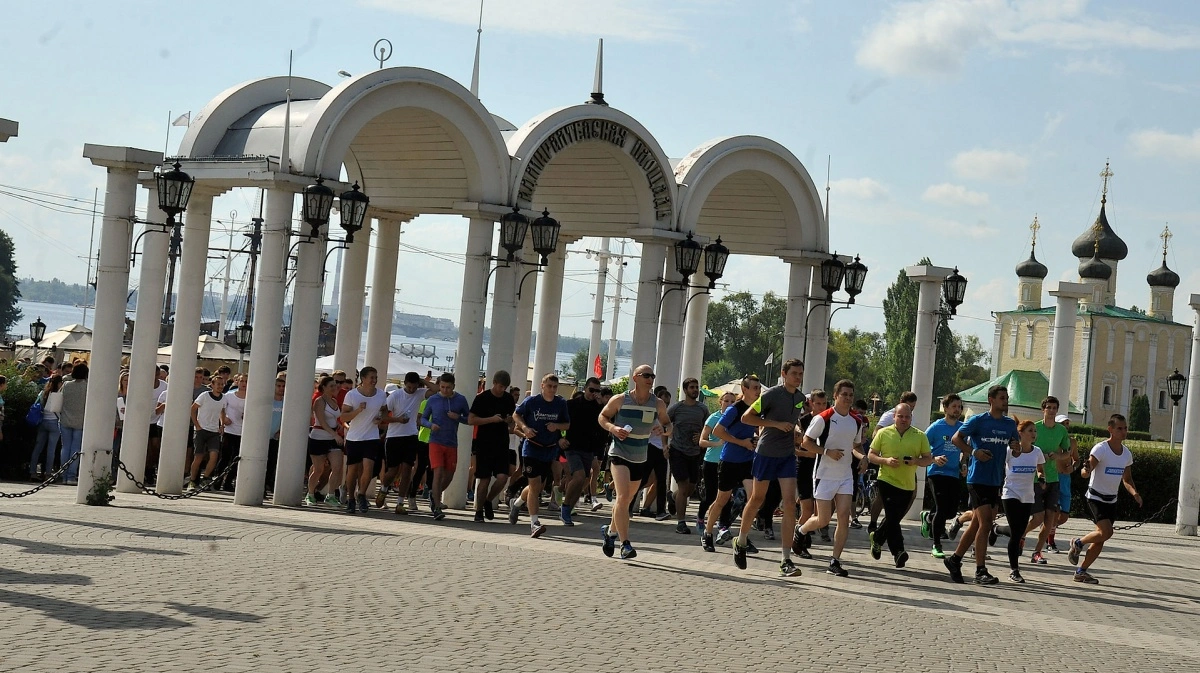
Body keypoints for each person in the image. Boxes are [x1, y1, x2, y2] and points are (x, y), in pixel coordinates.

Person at [736, 358, 807, 577]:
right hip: (766, 453)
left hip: (786, 454)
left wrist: (795, 432)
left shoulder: (800, 398)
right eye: (794, 373)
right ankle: (741, 541)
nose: (798, 377)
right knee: (757, 499)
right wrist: (775, 424)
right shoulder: (771, 395)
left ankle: (786, 559)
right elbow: (747, 418)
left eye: (800, 373)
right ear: (784, 374)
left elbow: (793, 418)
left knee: (788, 503)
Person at [944, 385, 1018, 585]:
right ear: (991, 400)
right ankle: (980, 571)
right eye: (1002, 397)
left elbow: (1017, 450)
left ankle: (955, 559)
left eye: (1006, 397)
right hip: (977, 479)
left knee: (977, 523)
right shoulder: (978, 421)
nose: (1005, 400)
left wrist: (1017, 447)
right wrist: (973, 452)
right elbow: (956, 438)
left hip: (995, 479)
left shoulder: (1010, 425)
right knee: (985, 524)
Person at [598, 364, 670, 559]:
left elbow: (668, 424)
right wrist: (613, 428)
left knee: (627, 499)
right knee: (622, 497)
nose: (650, 379)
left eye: (652, 375)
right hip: (619, 453)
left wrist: (663, 430)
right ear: (635, 378)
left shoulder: (657, 404)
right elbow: (602, 417)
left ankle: (610, 532)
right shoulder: (620, 399)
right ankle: (626, 545)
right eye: (646, 375)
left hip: (640, 455)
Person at [796, 378, 866, 577]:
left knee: (843, 517)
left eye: (851, 395)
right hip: (824, 475)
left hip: (845, 476)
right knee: (823, 519)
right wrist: (827, 451)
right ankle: (800, 531)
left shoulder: (856, 420)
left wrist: (864, 458)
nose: (847, 398)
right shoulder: (824, 418)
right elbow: (806, 442)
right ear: (835, 396)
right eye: (844, 394)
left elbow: (855, 446)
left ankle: (834, 561)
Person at [1069, 414, 1142, 585]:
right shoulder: (1101, 449)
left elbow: (1127, 479)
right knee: (1106, 532)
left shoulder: (1126, 454)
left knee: (1101, 538)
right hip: (1095, 497)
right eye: (1119, 428)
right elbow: (1086, 471)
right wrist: (1086, 471)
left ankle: (1081, 571)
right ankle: (1078, 542)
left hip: (1111, 500)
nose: (1123, 431)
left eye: (1125, 428)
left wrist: (1135, 494)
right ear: (1110, 429)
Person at [866, 403, 932, 568]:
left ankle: (878, 538)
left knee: (893, 518)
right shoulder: (883, 433)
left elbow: (928, 459)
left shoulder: (920, 436)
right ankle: (899, 552)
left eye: (907, 417)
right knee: (893, 517)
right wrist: (885, 461)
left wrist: (916, 461)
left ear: (911, 418)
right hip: (886, 480)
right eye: (900, 416)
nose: (903, 420)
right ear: (894, 416)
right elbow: (871, 455)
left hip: (907, 485)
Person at [702, 377, 761, 553]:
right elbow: (717, 431)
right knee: (722, 499)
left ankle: (743, 537)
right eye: (755, 388)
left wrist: (757, 439)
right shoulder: (734, 410)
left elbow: (759, 428)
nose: (758, 391)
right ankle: (707, 533)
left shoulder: (757, 409)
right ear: (745, 389)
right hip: (729, 460)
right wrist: (741, 442)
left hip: (748, 460)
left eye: (759, 388)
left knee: (753, 499)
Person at [509, 373, 570, 537]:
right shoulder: (532, 401)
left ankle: (517, 503)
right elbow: (516, 414)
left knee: (538, 487)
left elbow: (567, 424)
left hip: (549, 449)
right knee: (535, 485)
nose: (552, 389)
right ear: (542, 386)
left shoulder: (560, 403)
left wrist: (556, 426)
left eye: (555, 387)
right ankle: (534, 523)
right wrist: (525, 428)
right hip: (531, 448)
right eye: (549, 386)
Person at [999, 420, 1046, 583]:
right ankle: (1014, 570)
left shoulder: (1037, 451)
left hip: (1027, 495)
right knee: (1017, 533)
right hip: (1010, 492)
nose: (1034, 434)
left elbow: (1040, 469)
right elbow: (1000, 466)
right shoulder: (1009, 451)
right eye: (1030, 431)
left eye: (1035, 431)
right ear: (1020, 433)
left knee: (1018, 531)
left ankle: (996, 529)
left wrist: (1041, 478)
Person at [1026, 397, 1072, 564]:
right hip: (1035, 479)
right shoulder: (1035, 428)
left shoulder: (1061, 430)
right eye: (1049, 407)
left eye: (1054, 408)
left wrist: (1058, 456)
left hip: (1053, 478)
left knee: (1050, 518)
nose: (1051, 410)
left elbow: (1067, 452)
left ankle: (1037, 552)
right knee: (1037, 518)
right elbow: (1025, 447)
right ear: (1043, 409)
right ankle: (1021, 535)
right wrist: (1039, 456)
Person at [420, 372, 471, 519]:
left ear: (453, 386)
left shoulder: (460, 400)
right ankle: (436, 507)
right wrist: (430, 425)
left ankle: (433, 494)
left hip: (451, 442)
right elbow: (422, 419)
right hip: (435, 441)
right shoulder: (433, 399)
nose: (445, 390)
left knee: (450, 474)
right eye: (442, 387)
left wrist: (458, 418)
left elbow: (469, 419)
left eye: (448, 387)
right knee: (438, 472)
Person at [467, 370, 516, 522]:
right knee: (484, 479)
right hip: (484, 443)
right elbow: (471, 420)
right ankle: (478, 510)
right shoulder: (482, 398)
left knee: (502, 477)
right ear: (494, 383)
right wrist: (491, 419)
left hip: (501, 443)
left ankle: (488, 500)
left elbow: (513, 421)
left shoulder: (508, 399)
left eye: (505, 387)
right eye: (500, 386)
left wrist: (509, 421)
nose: (502, 390)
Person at [665, 377, 710, 534]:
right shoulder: (676, 408)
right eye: (692, 387)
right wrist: (665, 445)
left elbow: (709, 429)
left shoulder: (703, 409)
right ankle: (681, 523)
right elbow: (665, 424)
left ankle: (673, 497)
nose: (695, 390)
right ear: (685, 390)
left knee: (690, 489)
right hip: (677, 451)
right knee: (683, 486)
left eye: (696, 387)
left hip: (695, 452)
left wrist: (701, 437)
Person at [924, 393, 965, 558]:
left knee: (951, 512)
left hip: (954, 473)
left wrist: (964, 464)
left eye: (959, 407)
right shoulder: (936, 427)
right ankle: (936, 545)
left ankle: (929, 517)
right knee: (942, 509)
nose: (957, 410)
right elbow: (922, 447)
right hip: (937, 472)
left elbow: (966, 449)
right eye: (954, 406)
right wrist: (933, 458)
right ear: (945, 408)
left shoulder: (963, 428)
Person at [341, 366, 387, 514]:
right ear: (363, 379)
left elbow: (385, 410)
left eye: (376, 377)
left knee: (368, 466)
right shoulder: (352, 395)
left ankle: (361, 494)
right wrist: (358, 411)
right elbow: (343, 417)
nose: (374, 380)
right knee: (352, 470)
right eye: (371, 377)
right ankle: (350, 499)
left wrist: (381, 418)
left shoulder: (380, 395)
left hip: (371, 437)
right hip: (354, 437)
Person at [561, 376, 606, 525]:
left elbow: (605, 425)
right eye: (591, 390)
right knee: (579, 476)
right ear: (585, 388)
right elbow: (560, 422)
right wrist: (559, 439)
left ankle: (569, 509)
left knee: (583, 481)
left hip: (589, 449)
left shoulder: (599, 407)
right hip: (572, 447)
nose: (593, 393)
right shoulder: (571, 404)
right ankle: (565, 506)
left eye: (597, 391)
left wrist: (601, 405)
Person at [790, 389, 828, 558]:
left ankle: (803, 535)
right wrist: (810, 453)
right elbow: (796, 448)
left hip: (822, 469)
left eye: (824, 404)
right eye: (817, 403)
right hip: (805, 468)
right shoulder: (804, 421)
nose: (821, 407)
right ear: (811, 403)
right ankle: (797, 542)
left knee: (819, 511)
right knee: (807, 509)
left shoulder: (829, 419)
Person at [698, 391, 736, 535]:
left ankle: (723, 526)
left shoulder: (736, 419)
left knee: (726, 496)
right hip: (711, 461)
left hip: (728, 461)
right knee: (711, 495)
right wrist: (717, 443)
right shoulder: (714, 418)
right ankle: (701, 517)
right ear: (720, 402)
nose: (729, 404)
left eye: (733, 402)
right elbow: (701, 441)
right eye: (726, 401)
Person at [305, 375, 345, 506]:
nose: (336, 387)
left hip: (332, 438)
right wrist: (335, 434)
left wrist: (337, 425)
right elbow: (321, 421)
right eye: (332, 386)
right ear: (324, 388)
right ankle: (310, 493)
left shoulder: (334, 401)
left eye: (336, 384)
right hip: (319, 437)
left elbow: (334, 418)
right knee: (318, 469)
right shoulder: (319, 401)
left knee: (337, 467)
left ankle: (331, 495)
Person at [187, 373, 227, 491]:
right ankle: (193, 480)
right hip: (201, 430)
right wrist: (197, 425)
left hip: (214, 430)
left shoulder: (223, 398)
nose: (220, 386)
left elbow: (222, 411)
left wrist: (222, 424)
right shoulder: (204, 395)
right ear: (212, 385)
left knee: (214, 455)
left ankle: (206, 478)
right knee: (198, 456)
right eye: (218, 384)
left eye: (222, 384)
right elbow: (193, 408)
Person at [1047, 414, 1080, 553]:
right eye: (1063, 423)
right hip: (1054, 477)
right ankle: (1050, 542)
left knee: (1064, 517)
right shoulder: (1053, 440)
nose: (1066, 426)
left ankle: (1047, 528)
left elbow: (1077, 460)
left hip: (1066, 479)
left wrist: (1074, 466)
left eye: (1067, 423)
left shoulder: (1072, 442)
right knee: (1055, 512)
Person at [639, 386, 672, 520]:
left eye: (668, 403)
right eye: (664, 402)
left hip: (660, 450)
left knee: (661, 481)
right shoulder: (650, 412)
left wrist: (665, 447)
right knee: (643, 479)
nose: (666, 405)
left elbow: (666, 432)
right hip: (649, 448)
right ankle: (628, 504)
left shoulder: (666, 416)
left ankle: (660, 511)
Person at [58, 363, 89, 486]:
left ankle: (64, 475)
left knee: (65, 447)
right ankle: (71, 476)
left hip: (65, 419)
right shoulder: (87, 387)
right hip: (80, 421)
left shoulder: (66, 385)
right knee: (75, 448)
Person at [216, 373, 247, 492]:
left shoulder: (251, 397)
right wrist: (223, 420)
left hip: (242, 432)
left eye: (246, 381)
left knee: (236, 458)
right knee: (225, 457)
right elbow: (221, 409)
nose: (244, 383)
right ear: (237, 382)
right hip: (229, 430)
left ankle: (228, 482)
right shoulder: (228, 396)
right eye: (242, 381)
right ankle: (218, 480)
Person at [29, 374, 64, 480]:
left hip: (43, 421)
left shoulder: (43, 393)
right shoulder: (59, 394)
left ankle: (32, 472)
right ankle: (48, 474)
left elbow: (36, 404)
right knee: (51, 449)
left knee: (38, 448)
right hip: (54, 422)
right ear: (59, 383)